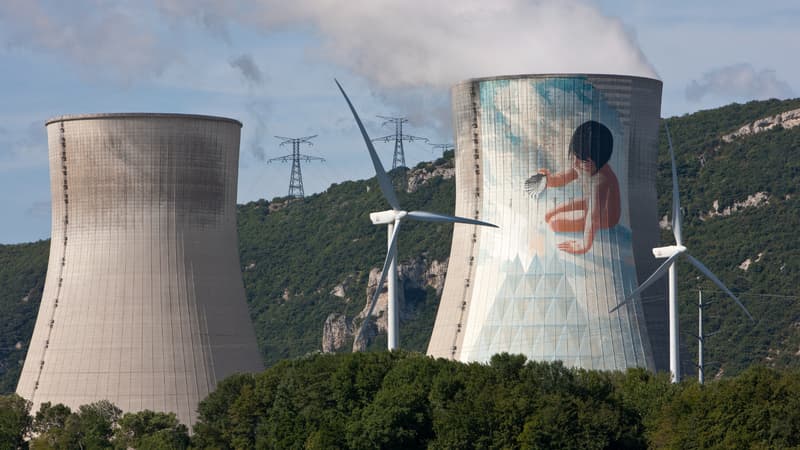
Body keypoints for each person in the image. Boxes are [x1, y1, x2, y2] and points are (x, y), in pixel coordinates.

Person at [536, 120, 620, 255]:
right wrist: (548, 179)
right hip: (590, 203)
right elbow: (561, 179)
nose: (575, 162)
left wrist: (584, 245)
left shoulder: (601, 180)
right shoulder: (582, 166)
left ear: (597, 161)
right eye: (575, 156)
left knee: (554, 223)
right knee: (550, 214)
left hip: (605, 216)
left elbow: (593, 217)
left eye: (582, 160)